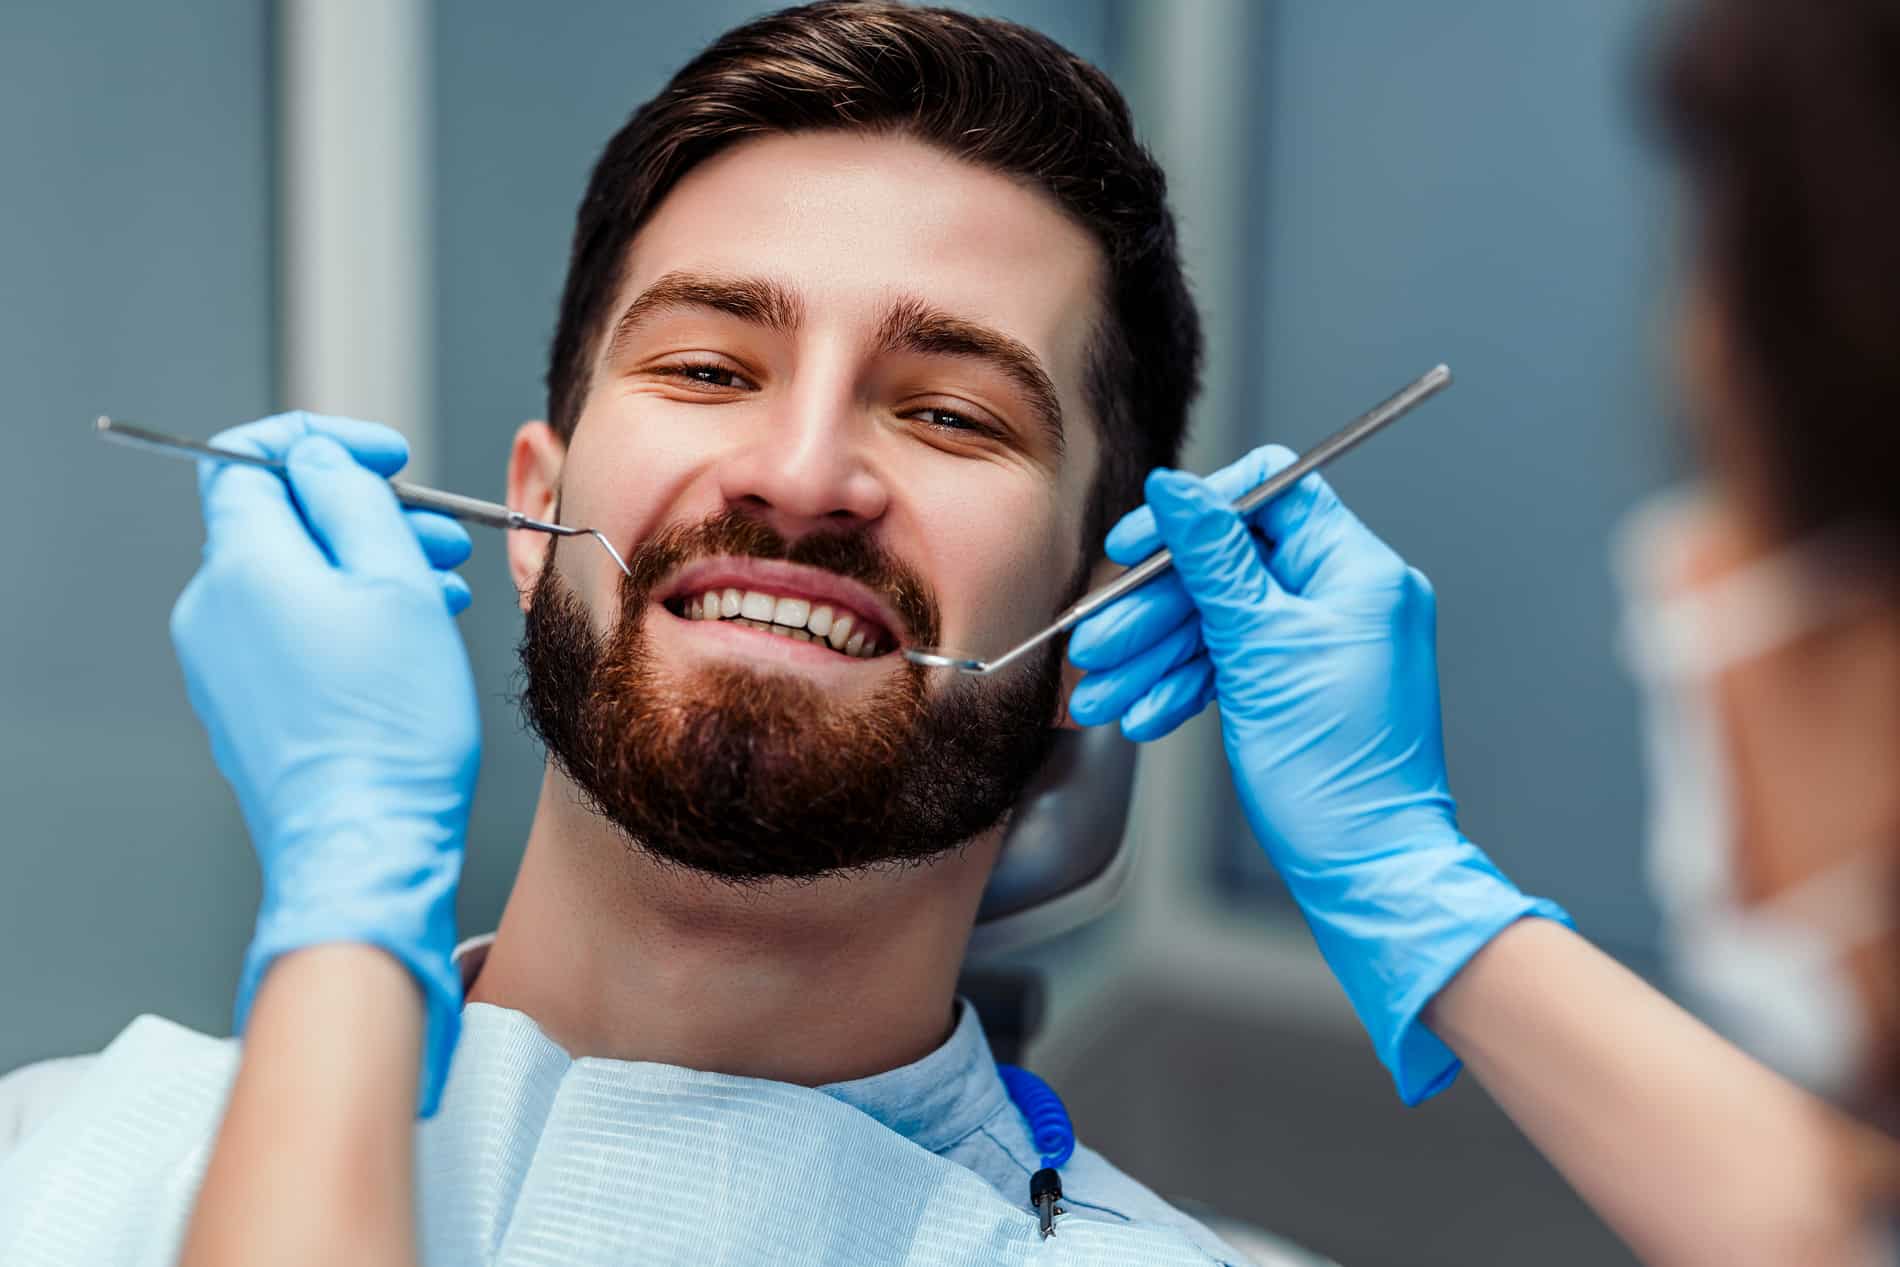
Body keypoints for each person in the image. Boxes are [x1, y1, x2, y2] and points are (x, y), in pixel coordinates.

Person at [0, 4, 1257, 1266]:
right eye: (710, 370)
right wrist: (349, 901)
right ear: (536, 512)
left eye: (946, 414)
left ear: (1099, 617)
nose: (802, 472)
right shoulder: (41, 1154)